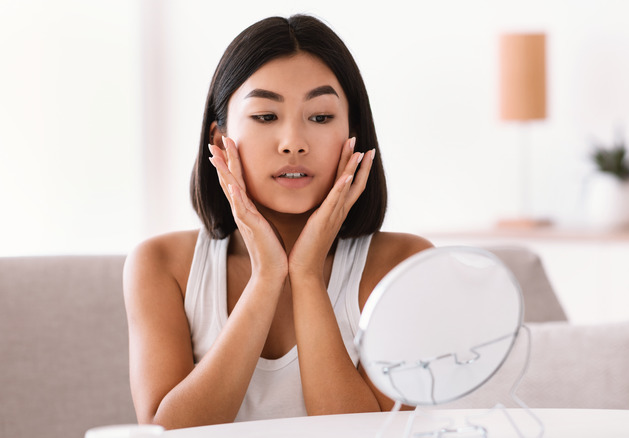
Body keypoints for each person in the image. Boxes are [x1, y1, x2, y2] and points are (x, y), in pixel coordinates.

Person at [123, 14, 432, 430]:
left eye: (320, 117)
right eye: (266, 117)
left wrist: (305, 274)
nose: (293, 143)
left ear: (353, 134)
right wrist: (267, 276)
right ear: (219, 140)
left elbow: (371, 432)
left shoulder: (406, 264)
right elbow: (167, 432)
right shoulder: (160, 265)